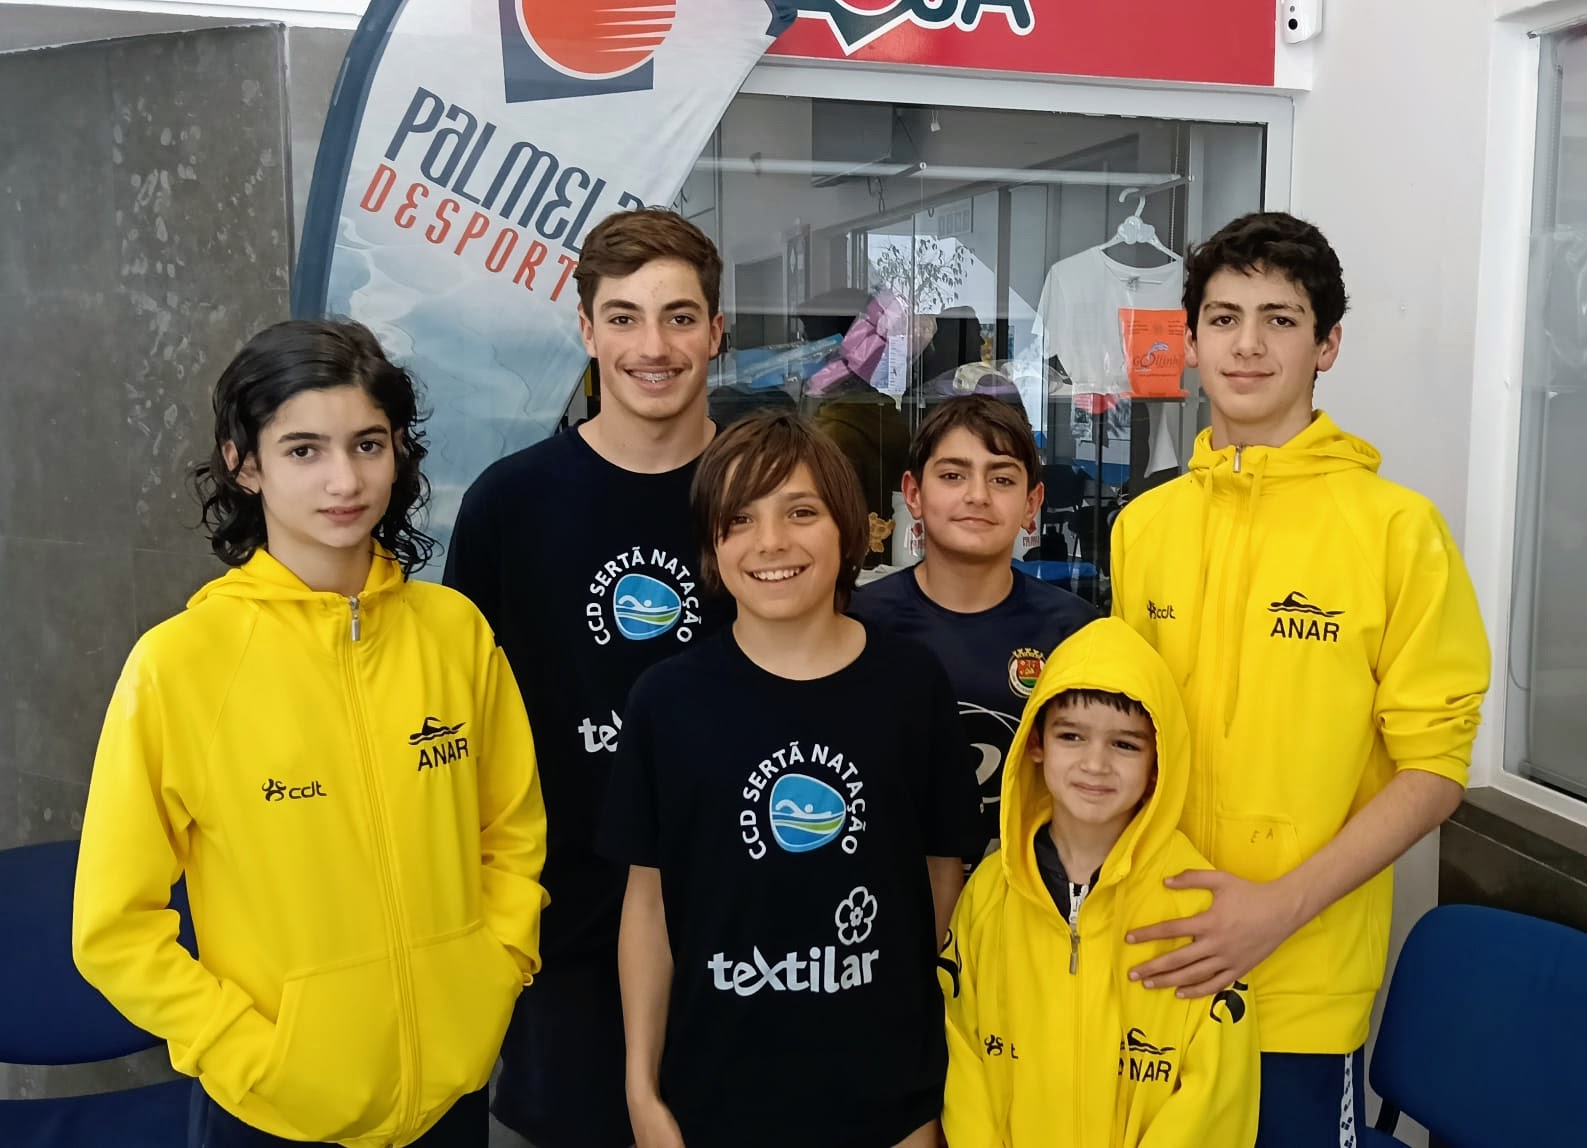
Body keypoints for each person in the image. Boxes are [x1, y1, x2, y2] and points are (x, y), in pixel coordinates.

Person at [72, 319, 548, 1148]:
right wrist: (246, 1050)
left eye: (367, 444)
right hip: (274, 1109)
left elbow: (510, 835)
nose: (344, 480)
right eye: (303, 450)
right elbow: (114, 927)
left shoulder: (455, 633)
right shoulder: (180, 665)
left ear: (398, 451)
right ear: (243, 463)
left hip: (452, 1091)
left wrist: (493, 971)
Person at [1108, 212, 1491, 1146]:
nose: (1247, 344)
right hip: (1154, 957)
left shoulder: (1397, 530)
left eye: (1279, 319)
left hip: (1303, 980)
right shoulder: (1144, 527)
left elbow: (1432, 772)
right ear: (1188, 340)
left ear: (1327, 346)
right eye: (1223, 317)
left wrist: (1276, 909)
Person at [600, 412, 980, 1148]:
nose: (771, 542)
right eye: (739, 519)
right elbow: (648, 905)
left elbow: (943, 873)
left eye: (800, 512)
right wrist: (641, 1090)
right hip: (714, 1100)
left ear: (850, 530)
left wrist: (916, 1071)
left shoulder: (910, 685)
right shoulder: (667, 701)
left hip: (890, 1101)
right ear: (712, 547)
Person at [443, 208, 732, 1148]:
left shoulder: (767, 499)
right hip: (564, 933)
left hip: (746, 923)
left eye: (679, 317)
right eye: (623, 317)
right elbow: (463, 727)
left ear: (716, 331)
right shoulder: (511, 504)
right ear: (585, 329)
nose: (653, 347)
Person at [941, 617, 1260, 1147]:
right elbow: (961, 1055)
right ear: (1036, 744)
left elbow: (1216, 1090)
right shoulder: (989, 895)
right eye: (1071, 736)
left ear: (1158, 763)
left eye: (1125, 745)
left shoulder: (1197, 904)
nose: (1095, 764)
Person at [850, 394, 1096, 860]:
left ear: (1032, 503)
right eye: (952, 476)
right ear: (913, 494)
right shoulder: (859, 623)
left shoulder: (1076, 632)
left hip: (1025, 888)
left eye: (1002, 479)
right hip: (890, 885)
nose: (978, 495)